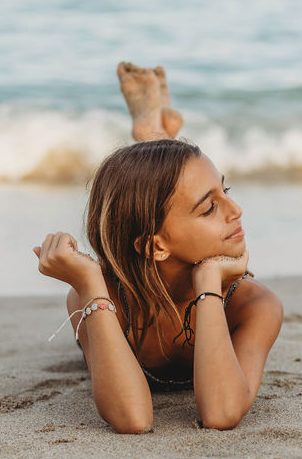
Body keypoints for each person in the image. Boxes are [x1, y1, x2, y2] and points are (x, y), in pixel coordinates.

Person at [33, 62, 283, 433]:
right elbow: (132, 418)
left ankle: (152, 135)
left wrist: (209, 283)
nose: (237, 210)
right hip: (135, 266)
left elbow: (221, 412)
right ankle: (152, 135)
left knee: (163, 189)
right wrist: (87, 282)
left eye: (225, 191)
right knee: (153, 197)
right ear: (156, 247)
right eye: (210, 207)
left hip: (162, 249)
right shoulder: (102, 295)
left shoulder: (254, 306)